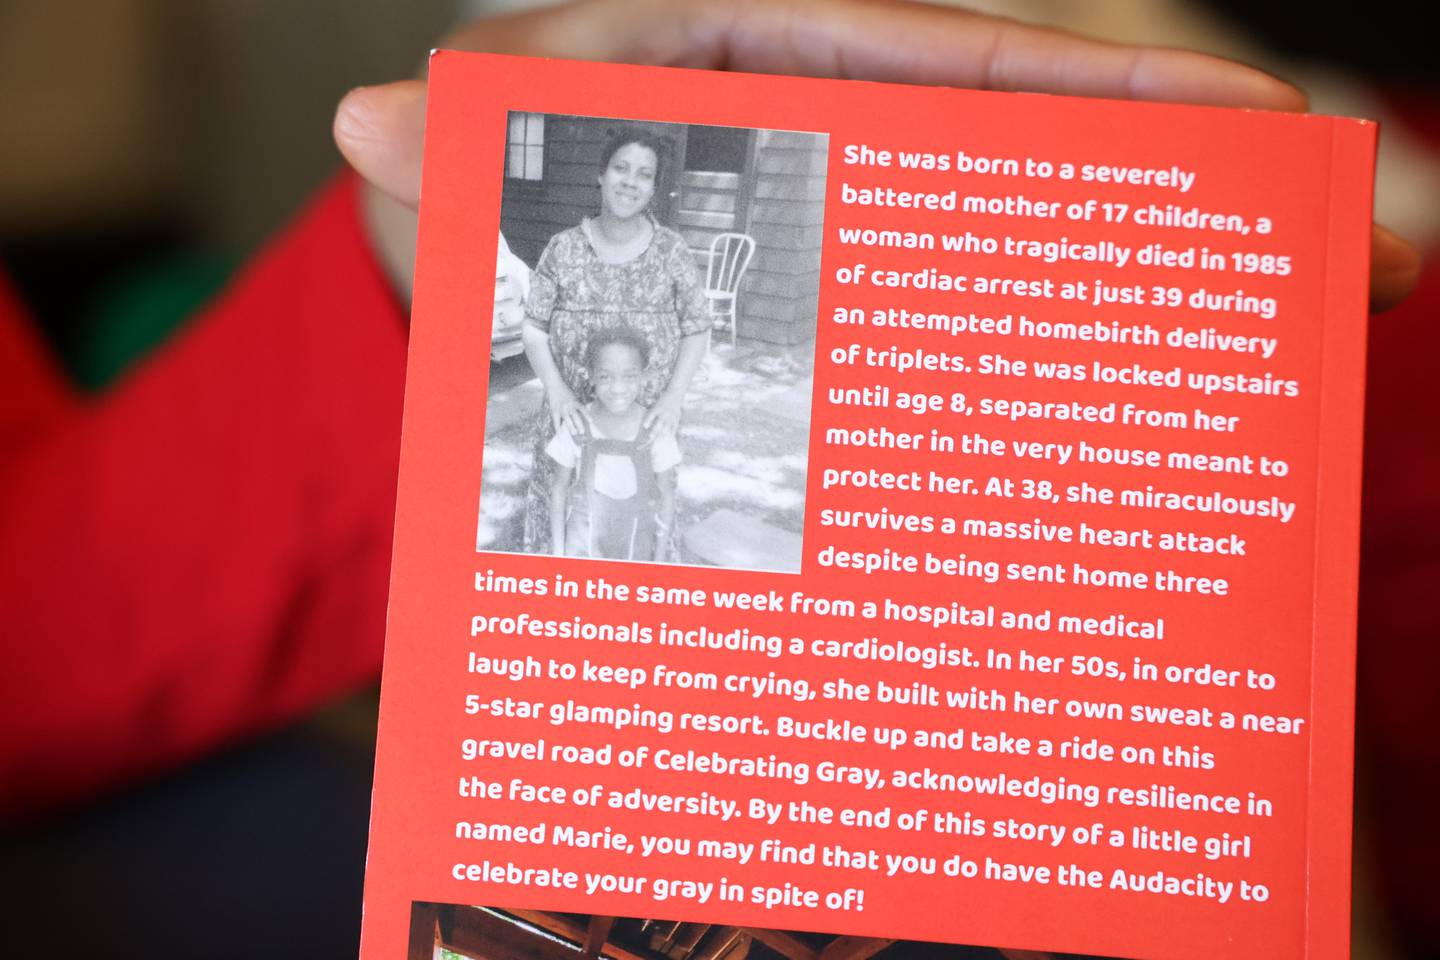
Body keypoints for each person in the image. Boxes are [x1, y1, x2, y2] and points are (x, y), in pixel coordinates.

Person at [2, 0, 1421, 816]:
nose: (628, 191)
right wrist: (544, 380)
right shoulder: (562, 262)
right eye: (611, 178)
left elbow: (54, 590)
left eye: (642, 179)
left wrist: (416, 264)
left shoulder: (678, 256)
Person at [519, 127, 708, 555]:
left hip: (646, 420)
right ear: (600, 175)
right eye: (620, 168)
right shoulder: (563, 249)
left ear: (654, 188)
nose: (630, 181)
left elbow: (697, 328)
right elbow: (534, 327)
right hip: (571, 417)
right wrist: (557, 391)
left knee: (639, 526)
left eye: (644, 174)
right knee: (566, 524)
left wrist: (673, 400)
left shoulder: (671, 251)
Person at [547, 326, 680, 561]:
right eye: (606, 377)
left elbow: (667, 495)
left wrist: (659, 559)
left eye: (629, 376)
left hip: (636, 552)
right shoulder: (577, 425)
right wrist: (558, 555)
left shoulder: (655, 430)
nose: (618, 388)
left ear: (644, 376)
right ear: (590, 375)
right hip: (580, 552)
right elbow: (559, 488)